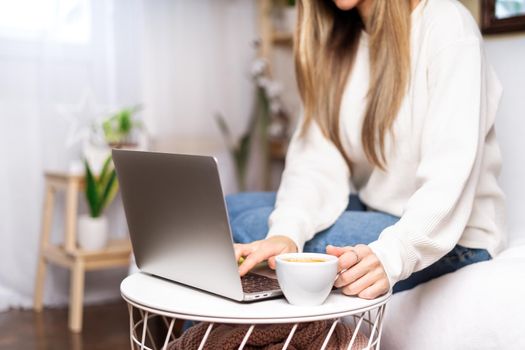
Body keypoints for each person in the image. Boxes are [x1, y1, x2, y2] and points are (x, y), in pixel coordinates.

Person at [229, 0, 506, 300]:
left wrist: (393, 254)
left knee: (246, 226)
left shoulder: (447, 24)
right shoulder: (338, 43)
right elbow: (314, 165)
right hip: (381, 210)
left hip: (456, 238)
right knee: (228, 211)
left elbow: (449, 177)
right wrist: (286, 232)